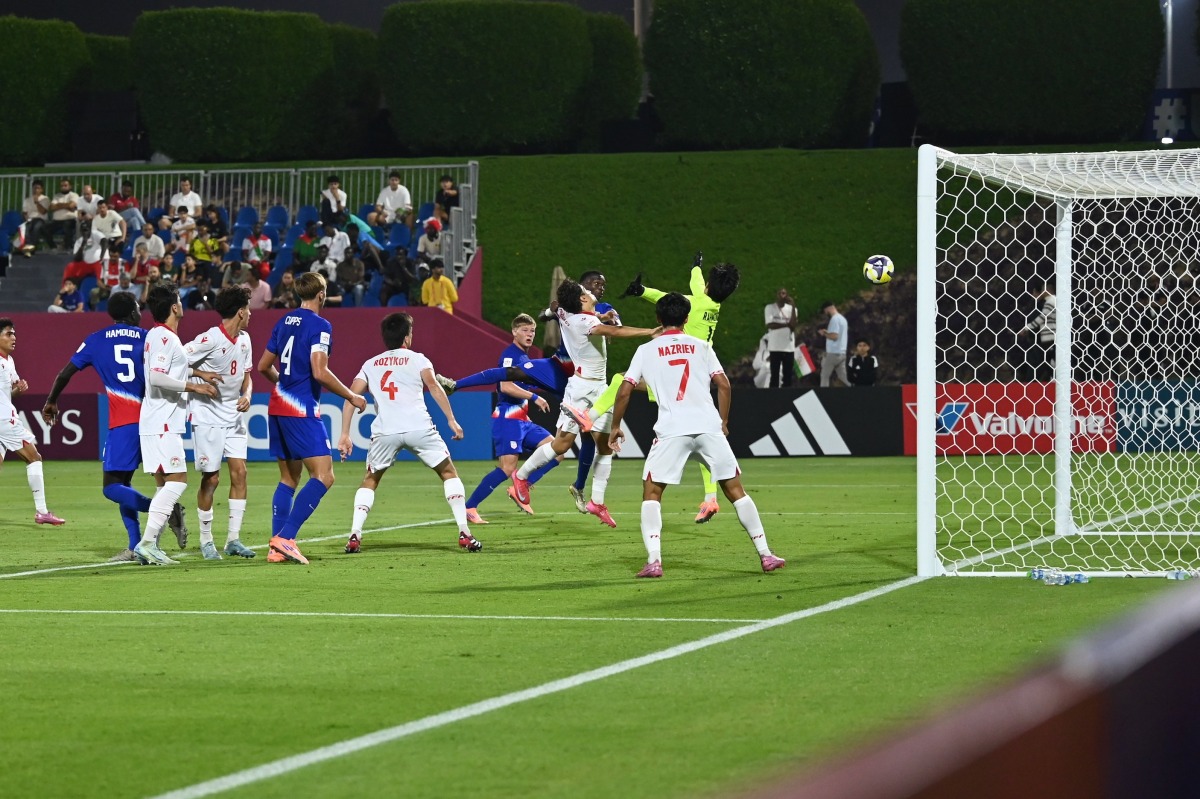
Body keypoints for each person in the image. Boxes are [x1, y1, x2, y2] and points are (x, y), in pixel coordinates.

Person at [609, 292, 786, 578]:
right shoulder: (702, 346)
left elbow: (626, 389)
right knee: (735, 490)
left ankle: (654, 560)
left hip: (672, 428)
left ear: (658, 319)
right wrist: (723, 421)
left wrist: (616, 425)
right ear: (687, 318)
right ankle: (766, 554)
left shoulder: (646, 350)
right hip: (707, 425)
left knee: (652, 492)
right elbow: (724, 385)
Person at [577, 255, 742, 524]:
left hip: (675, 372)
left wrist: (642, 291)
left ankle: (590, 416)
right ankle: (710, 498)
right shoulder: (712, 304)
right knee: (704, 441)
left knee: (621, 380)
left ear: (710, 284)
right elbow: (696, 284)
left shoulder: (697, 301)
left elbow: (667, 298)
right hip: (695, 376)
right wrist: (696, 269)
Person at [42, 293, 187, 560]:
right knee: (125, 483)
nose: (140, 312)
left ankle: (166, 510)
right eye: (137, 308)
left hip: (124, 422)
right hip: (152, 418)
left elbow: (64, 373)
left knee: (112, 487)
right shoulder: (148, 336)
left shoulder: (96, 339)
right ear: (132, 312)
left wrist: (51, 401)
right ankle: (135, 545)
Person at [509, 278, 659, 524]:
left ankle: (597, 503)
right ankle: (521, 476)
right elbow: (615, 332)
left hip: (599, 388)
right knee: (561, 446)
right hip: (580, 390)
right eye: (586, 291)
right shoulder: (586, 321)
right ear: (581, 300)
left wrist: (599, 317)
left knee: (605, 446)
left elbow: (552, 309)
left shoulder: (565, 311)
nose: (589, 292)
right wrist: (650, 331)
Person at [336, 312, 481, 554]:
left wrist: (344, 434)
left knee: (370, 479)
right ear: (406, 337)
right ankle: (464, 533)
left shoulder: (370, 364)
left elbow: (350, 398)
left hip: (386, 431)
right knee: (447, 472)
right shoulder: (418, 359)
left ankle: (354, 535)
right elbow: (433, 387)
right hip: (418, 427)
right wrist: (451, 420)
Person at [257, 272, 367, 565]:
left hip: (277, 404)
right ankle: (286, 537)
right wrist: (351, 396)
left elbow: (263, 366)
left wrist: (286, 383)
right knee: (324, 475)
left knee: (288, 478)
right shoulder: (321, 326)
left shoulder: (283, 321)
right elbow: (319, 372)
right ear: (321, 294)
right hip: (301, 409)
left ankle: (274, 548)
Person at [133, 285, 220, 565]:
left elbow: (169, 367)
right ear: (174, 307)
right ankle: (146, 544)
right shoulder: (163, 337)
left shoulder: (161, 336)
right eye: (180, 300)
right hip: (162, 421)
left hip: (159, 419)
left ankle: (152, 545)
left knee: (164, 485)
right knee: (178, 480)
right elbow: (158, 377)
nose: (182, 304)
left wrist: (198, 372)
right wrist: (193, 387)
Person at [460, 314, 565, 523]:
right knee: (507, 467)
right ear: (514, 332)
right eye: (525, 330)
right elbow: (505, 385)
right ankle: (469, 507)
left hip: (522, 419)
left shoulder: (525, 357)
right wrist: (534, 396)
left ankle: (521, 484)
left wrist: (541, 388)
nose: (530, 334)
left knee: (557, 450)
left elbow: (523, 384)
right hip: (508, 417)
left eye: (532, 331)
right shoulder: (510, 355)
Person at [184, 286, 256, 559]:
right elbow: (173, 361)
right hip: (207, 417)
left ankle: (233, 540)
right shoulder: (209, 339)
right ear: (240, 311)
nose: (250, 314)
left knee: (240, 473)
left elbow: (247, 375)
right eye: (248, 309)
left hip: (234, 415)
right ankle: (206, 541)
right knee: (211, 478)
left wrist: (247, 395)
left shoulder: (246, 340)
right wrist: (199, 375)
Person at [0, 319, 67, 527]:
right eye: (9, 334)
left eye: (14, 334)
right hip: (4, 419)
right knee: (34, 457)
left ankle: (43, 512)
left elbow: (5, 394)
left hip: (3, 416)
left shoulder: (8, 361)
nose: (14, 338)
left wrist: (16, 391)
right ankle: (42, 512)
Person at [1019, 283, 1056, 382]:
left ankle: (1031, 384)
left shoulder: (1051, 301)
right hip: (1046, 338)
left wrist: (1027, 328)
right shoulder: (1048, 302)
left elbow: (1043, 317)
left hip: (1050, 338)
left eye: (1044, 289)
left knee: (1041, 361)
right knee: (1047, 362)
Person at [764, 288, 797, 388]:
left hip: (789, 347)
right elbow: (770, 325)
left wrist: (793, 306)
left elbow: (793, 325)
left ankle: (786, 397)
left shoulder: (792, 309)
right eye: (780, 293)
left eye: (784, 293)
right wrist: (786, 325)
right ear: (777, 295)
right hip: (775, 346)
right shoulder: (770, 308)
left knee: (788, 376)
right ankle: (773, 397)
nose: (782, 295)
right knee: (775, 375)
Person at [817, 299, 848, 387]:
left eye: (825, 311)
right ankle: (856, 389)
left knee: (824, 376)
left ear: (828, 309)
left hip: (833, 353)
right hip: (842, 352)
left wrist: (824, 334)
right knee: (843, 377)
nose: (825, 314)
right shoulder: (842, 319)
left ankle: (823, 396)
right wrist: (827, 332)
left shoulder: (834, 319)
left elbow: (834, 336)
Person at [46, 179, 79, 250]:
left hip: (69, 219)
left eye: (65, 185)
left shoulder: (74, 195)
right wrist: (66, 205)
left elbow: (71, 206)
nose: (63, 187)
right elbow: (51, 207)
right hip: (57, 221)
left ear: (70, 186)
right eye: (62, 186)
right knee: (45, 229)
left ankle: (67, 247)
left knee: (67, 226)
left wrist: (58, 205)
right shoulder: (56, 196)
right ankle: (53, 247)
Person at [20, 180, 50, 256]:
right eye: (34, 188)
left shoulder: (45, 199)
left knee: (36, 227)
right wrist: (27, 219)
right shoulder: (27, 200)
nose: (36, 190)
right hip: (30, 219)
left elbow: (43, 211)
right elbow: (24, 212)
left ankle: (31, 248)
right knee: (25, 228)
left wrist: (37, 202)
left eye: (38, 188)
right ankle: (25, 248)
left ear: (42, 190)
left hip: (41, 219)